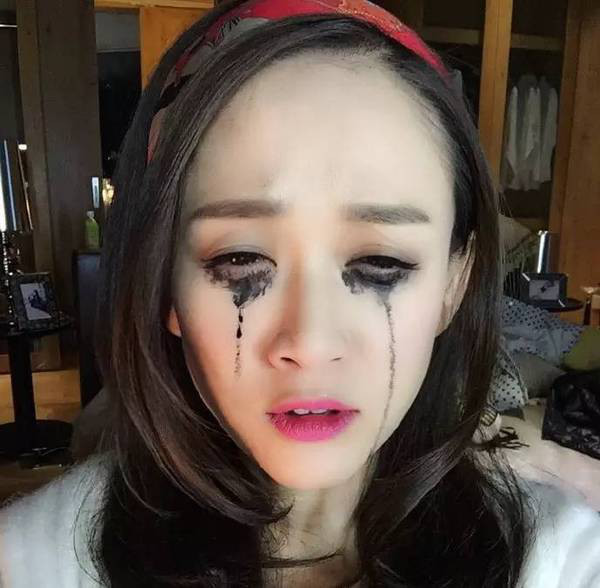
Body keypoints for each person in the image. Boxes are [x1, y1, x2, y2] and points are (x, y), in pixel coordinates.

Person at [1, 1, 599, 586]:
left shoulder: (562, 561)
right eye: (239, 260)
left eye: (381, 263)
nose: (310, 343)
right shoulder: (30, 562)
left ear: (454, 283)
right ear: (164, 285)